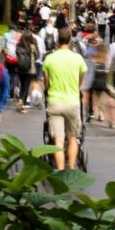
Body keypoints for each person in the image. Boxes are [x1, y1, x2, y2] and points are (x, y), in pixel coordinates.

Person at [43, 27, 87, 170]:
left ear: (57, 40)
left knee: (58, 140)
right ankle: (72, 168)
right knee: (73, 138)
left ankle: (61, 170)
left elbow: (46, 84)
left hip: (55, 102)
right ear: (70, 40)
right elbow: (80, 80)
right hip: (72, 102)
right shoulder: (78, 58)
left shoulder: (49, 59)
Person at [15, 29, 39, 112]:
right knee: (26, 87)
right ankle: (22, 103)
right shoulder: (32, 46)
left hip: (20, 69)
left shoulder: (18, 46)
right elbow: (37, 56)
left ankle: (20, 100)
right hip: (30, 69)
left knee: (22, 85)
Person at [1, 23, 21, 98]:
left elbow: (3, 48)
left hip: (9, 59)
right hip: (18, 58)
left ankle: (10, 93)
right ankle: (17, 87)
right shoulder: (19, 35)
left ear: (9, 28)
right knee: (17, 74)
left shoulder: (6, 35)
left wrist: (6, 55)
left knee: (10, 74)